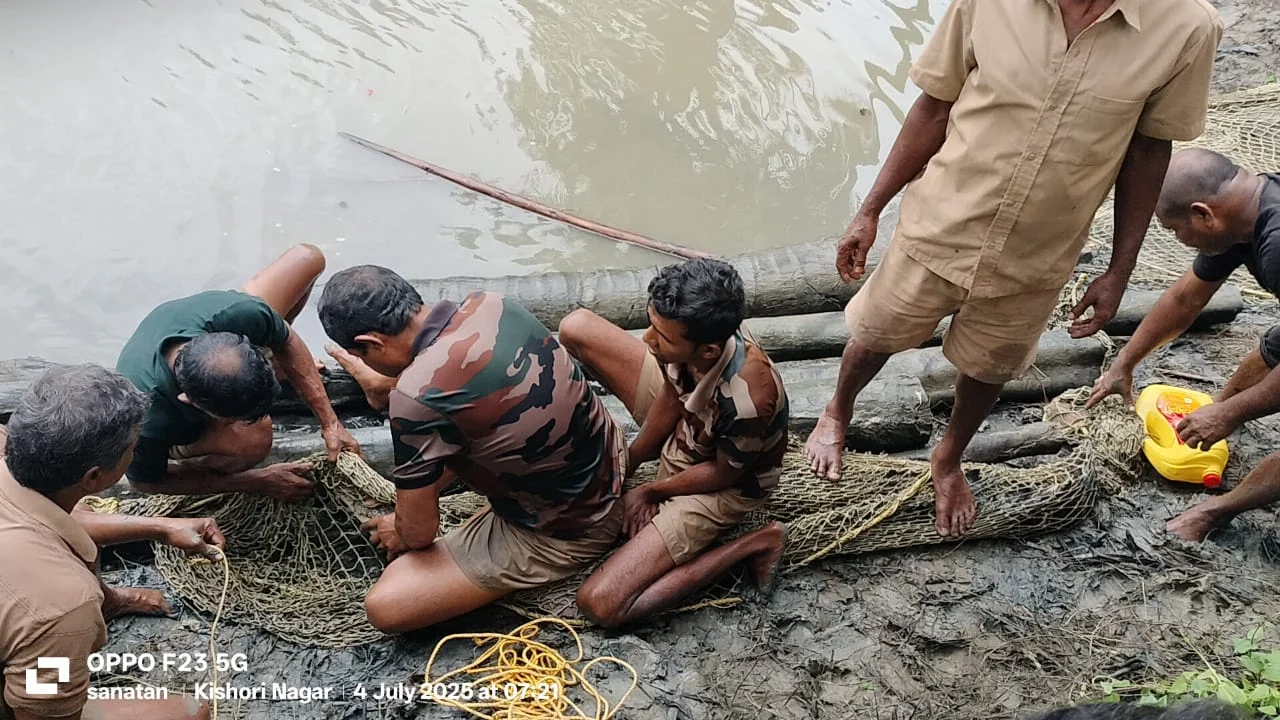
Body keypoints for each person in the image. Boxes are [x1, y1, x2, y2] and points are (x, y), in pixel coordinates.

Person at [802, 0, 1223, 537]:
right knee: (877, 328)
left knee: (991, 365)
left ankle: (948, 457)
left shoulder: (1187, 26)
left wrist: (1119, 270)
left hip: (1040, 248)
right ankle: (837, 412)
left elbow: (1147, 151)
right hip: (943, 219)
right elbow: (934, 105)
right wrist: (870, 209)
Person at [316, 266, 625, 633]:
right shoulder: (492, 303)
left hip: (578, 526)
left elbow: (419, 534)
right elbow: (459, 374)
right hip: (613, 454)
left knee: (386, 605)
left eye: (363, 355)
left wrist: (399, 526)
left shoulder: (414, 399)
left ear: (372, 344)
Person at [556, 258, 788, 627]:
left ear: (709, 352)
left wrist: (651, 491)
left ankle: (757, 542)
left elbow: (724, 473)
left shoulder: (748, 401)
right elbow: (671, 394)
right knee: (576, 327)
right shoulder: (692, 337)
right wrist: (627, 463)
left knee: (601, 604)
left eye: (660, 336)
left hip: (724, 481)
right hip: (693, 425)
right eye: (651, 325)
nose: (646, 339)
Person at [1, 365, 219, 720]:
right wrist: (52, 677)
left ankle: (110, 603)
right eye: (133, 448)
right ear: (95, 476)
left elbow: (54, 523)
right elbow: (41, 713)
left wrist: (162, 528)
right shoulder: (60, 604)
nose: (135, 453)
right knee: (192, 713)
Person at [1088, 149, 1280, 541]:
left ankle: (1213, 512)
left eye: (1174, 230)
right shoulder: (1243, 213)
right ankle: (1215, 416)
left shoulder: (1277, 245)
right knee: (1273, 347)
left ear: (1202, 214)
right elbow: (1185, 299)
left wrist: (1231, 413)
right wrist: (1125, 363)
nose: (1180, 240)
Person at [116, 244, 360, 501]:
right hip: (176, 424)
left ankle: (277, 369)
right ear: (189, 401)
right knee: (254, 439)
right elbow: (146, 482)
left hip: (227, 337)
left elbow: (287, 339)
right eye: (232, 418)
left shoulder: (236, 314)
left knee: (308, 258)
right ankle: (207, 465)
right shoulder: (145, 419)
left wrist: (330, 423)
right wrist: (255, 481)